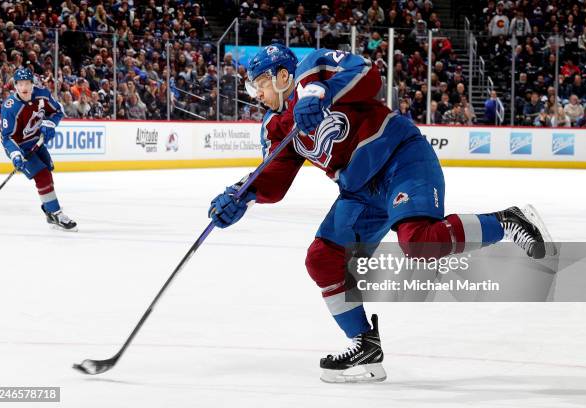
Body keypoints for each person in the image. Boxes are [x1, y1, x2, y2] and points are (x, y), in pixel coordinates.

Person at [207, 45, 553, 383]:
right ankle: (364, 344)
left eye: (259, 84)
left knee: (420, 243)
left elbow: (367, 74)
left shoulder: (312, 69)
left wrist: (319, 92)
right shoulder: (274, 126)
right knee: (323, 259)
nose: (255, 94)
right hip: (360, 192)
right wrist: (241, 194)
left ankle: (507, 220)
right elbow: (275, 177)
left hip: (400, 159)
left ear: (283, 76)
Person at [0, 68, 77, 231]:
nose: (24, 87)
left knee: (48, 170)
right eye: (20, 84)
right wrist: (15, 155)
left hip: (36, 141)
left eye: (27, 83)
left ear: (32, 84)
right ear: (15, 86)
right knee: (42, 175)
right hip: (19, 146)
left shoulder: (42, 94)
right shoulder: (10, 107)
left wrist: (50, 123)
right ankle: (56, 213)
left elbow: (57, 111)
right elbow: (7, 137)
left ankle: (49, 211)